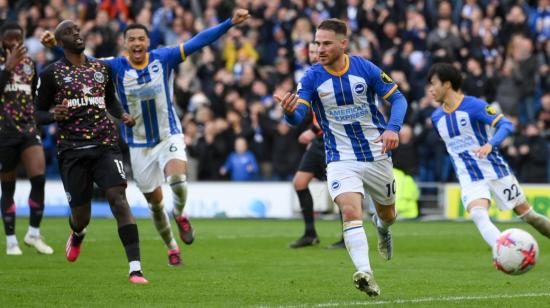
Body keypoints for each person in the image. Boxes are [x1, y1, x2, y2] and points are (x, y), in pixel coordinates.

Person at [41, 9, 250, 266]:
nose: (137, 43)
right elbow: (79, 62)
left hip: (167, 135)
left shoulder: (164, 58)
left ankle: (181, 214)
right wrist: (55, 47)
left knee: (178, 181)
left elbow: (199, 40)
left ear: (148, 42)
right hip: (138, 145)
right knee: (154, 204)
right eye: (132, 39)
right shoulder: (114, 66)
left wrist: (230, 22)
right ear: (125, 43)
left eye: (141, 38)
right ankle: (172, 248)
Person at [275, 19, 408, 296]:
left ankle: (382, 228)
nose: (319, 49)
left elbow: (399, 100)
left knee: (389, 215)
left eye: (326, 43)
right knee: (350, 210)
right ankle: (366, 273)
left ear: (343, 43)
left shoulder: (365, 68)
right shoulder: (311, 77)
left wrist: (393, 129)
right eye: (316, 43)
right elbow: (298, 116)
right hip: (339, 157)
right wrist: (289, 112)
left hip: (376, 153)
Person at [35, 20, 148, 284]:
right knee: (81, 216)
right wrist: (53, 115)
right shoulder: (52, 74)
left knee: (118, 200)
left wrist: (122, 115)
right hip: (72, 150)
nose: (76, 33)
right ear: (60, 43)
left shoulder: (101, 68)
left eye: (77, 30)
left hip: (105, 145)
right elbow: (36, 112)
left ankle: (135, 269)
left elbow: (109, 99)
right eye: (69, 32)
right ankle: (77, 232)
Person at [428, 62, 550, 254]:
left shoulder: (474, 105)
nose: (430, 89)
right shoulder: (436, 117)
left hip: (495, 170)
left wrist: (490, 144)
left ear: (447, 84)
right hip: (469, 177)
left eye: (433, 83)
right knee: (478, 214)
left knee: (529, 216)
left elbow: (506, 125)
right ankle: (506, 253)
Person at [0, 23, 53, 255]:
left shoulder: (30, 65)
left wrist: (49, 116)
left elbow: (33, 100)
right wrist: (6, 69)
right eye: (9, 40)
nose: (13, 44)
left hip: (28, 130)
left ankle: (33, 233)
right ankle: (11, 240)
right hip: (4, 134)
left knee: (39, 178)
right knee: (8, 187)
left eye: (17, 39)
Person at [288, 42, 345, 250]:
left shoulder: (332, 76)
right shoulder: (311, 77)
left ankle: (348, 236)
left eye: (316, 51)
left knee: (341, 190)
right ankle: (310, 233)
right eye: (311, 52)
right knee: (300, 182)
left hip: (334, 140)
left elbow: (335, 112)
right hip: (319, 140)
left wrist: (311, 131)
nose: (314, 55)